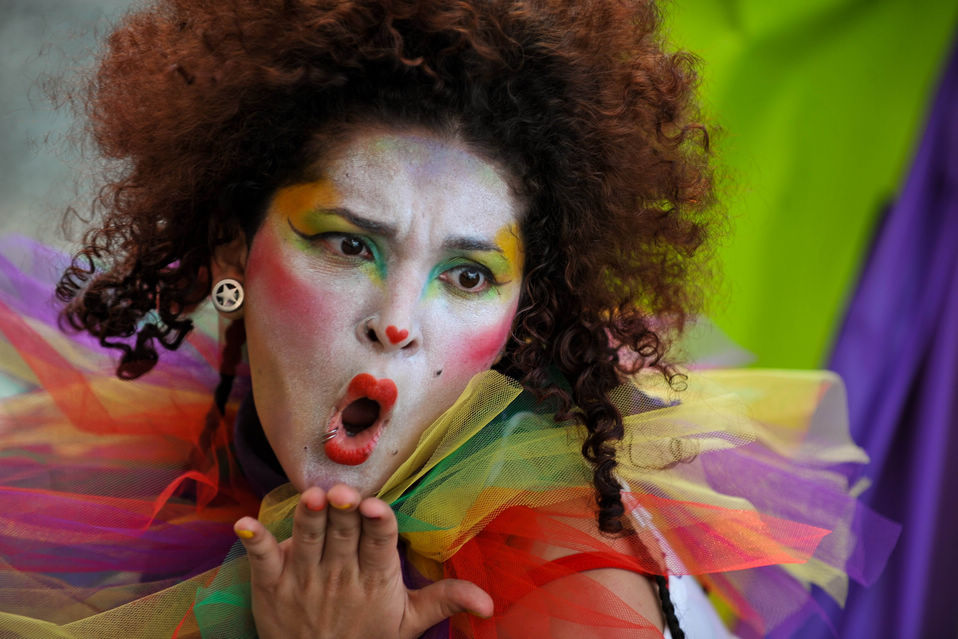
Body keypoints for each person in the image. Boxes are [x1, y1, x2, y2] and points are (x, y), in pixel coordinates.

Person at [0, 0, 896, 637]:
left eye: (466, 273)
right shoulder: (151, 465)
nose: (397, 323)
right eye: (351, 246)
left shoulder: (570, 597)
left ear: (519, 318)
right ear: (235, 257)